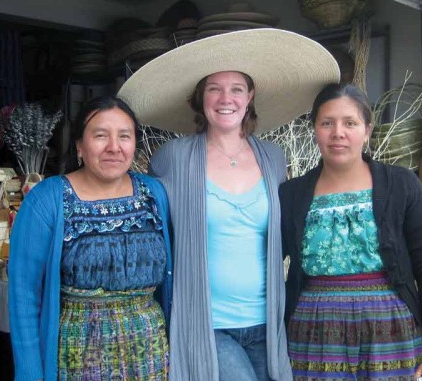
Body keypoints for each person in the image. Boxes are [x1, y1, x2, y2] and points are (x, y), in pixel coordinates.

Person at [118, 28, 340, 381]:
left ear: (250, 96)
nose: (226, 98)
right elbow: (146, 221)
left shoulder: (272, 157)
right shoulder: (173, 157)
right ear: (200, 97)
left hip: (267, 322)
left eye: (236, 88)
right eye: (214, 88)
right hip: (207, 324)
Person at [280, 83, 422, 381]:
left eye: (350, 123)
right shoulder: (290, 194)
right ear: (315, 129)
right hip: (313, 334)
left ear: (367, 130)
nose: (338, 133)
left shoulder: (402, 185)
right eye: (327, 123)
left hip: (391, 333)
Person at [8, 96, 173, 381]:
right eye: (100, 136)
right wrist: (30, 373)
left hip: (151, 353)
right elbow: (24, 294)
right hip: (79, 355)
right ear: (80, 146)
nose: (114, 147)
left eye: (124, 136)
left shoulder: (154, 194)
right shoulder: (48, 199)